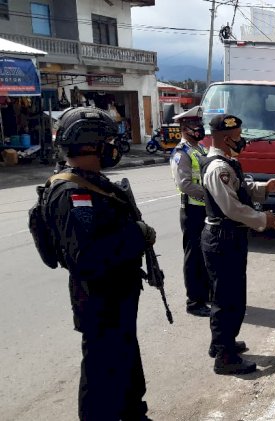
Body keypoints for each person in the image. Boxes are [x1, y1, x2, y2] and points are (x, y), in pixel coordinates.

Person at [43, 107, 155, 420]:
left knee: (125, 357)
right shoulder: (74, 193)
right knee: (100, 370)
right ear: (90, 145)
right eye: (108, 140)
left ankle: (133, 411)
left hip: (116, 293)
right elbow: (86, 257)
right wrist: (136, 236)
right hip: (98, 297)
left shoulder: (92, 183)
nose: (113, 146)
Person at [201, 114, 275, 374]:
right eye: (239, 135)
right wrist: (264, 219)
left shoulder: (228, 162)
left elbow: (242, 190)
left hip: (229, 237)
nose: (243, 139)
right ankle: (225, 358)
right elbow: (232, 208)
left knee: (230, 295)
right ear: (227, 138)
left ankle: (223, 342)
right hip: (223, 238)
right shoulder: (219, 168)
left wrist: (265, 187)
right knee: (228, 299)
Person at [170, 106, 212, 317]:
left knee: (206, 254)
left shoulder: (201, 150)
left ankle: (205, 295)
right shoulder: (181, 153)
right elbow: (185, 184)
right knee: (194, 256)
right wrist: (210, 194)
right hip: (192, 211)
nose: (199, 129)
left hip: (205, 210)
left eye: (200, 125)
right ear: (185, 128)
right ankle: (194, 301)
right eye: (195, 126)